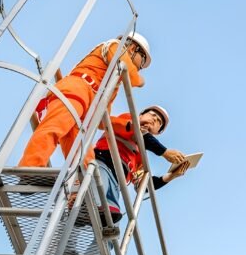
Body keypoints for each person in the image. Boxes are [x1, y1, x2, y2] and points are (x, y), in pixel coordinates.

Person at [64, 105, 190, 255]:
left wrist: (172, 176)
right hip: (98, 166)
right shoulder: (127, 120)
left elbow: (145, 186)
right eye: (152, 115)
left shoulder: (139, 155)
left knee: (110, 230)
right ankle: (67, 250)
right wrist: (165, 152)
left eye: (159, 122)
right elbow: (136, 132)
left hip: (116, 181)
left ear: (157, 132)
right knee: (85, 208)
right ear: (140, 115)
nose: (154, 120)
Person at [19, 32, 152, 168]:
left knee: (84, 158)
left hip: (84, 109)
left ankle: (82, 187)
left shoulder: (113, 84)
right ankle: (30, 166)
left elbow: (101, 119)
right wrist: (141, 81)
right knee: (54, 128)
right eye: (142, 60)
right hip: (76, 89)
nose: (140, 68)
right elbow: (133, 77)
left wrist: (127, 125)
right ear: (132, 48)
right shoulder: (115, 46)